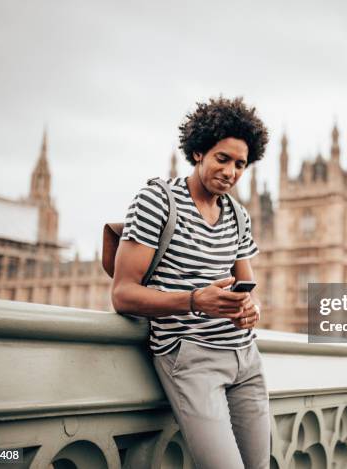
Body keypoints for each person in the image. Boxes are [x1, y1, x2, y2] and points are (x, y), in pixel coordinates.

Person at [111, 96, 271, 469]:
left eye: (240, 164)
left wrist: (250, 310)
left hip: (246, 359)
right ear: (198, 151)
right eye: (222, 158)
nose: (231, 172)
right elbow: (122, 294)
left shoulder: (238, 215)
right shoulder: (157, 201)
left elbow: (246, 285)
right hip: (190, 357)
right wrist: (195, 301)